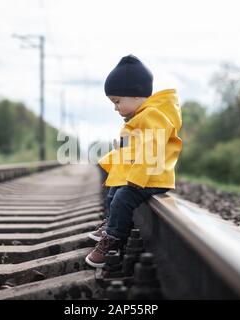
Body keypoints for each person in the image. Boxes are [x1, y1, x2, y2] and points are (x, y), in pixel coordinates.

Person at [85, 54, 183, 268]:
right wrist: (112, 163)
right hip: (143, 176)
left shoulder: (152, 116)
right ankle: (111, 224)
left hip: (152, 178)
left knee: (122, 198)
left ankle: (113, 241)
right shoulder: (140, 117)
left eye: (117, 101)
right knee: (113, 193)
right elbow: (130, 149)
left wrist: (136, 177)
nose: (115, 107)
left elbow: (152, 148)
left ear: (136, 96)